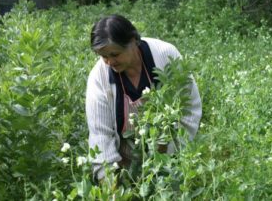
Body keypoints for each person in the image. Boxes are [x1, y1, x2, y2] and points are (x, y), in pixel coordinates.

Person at [86, 14, 202, 181]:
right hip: (125, 166)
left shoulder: (165, 55)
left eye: (115, 54)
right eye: (104, 56)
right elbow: (100, 135)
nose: (109, 62)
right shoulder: (99, 77)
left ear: (133, 41)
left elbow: (189, 108)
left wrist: (167, 156)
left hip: (171, 158)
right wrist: (111, 186)